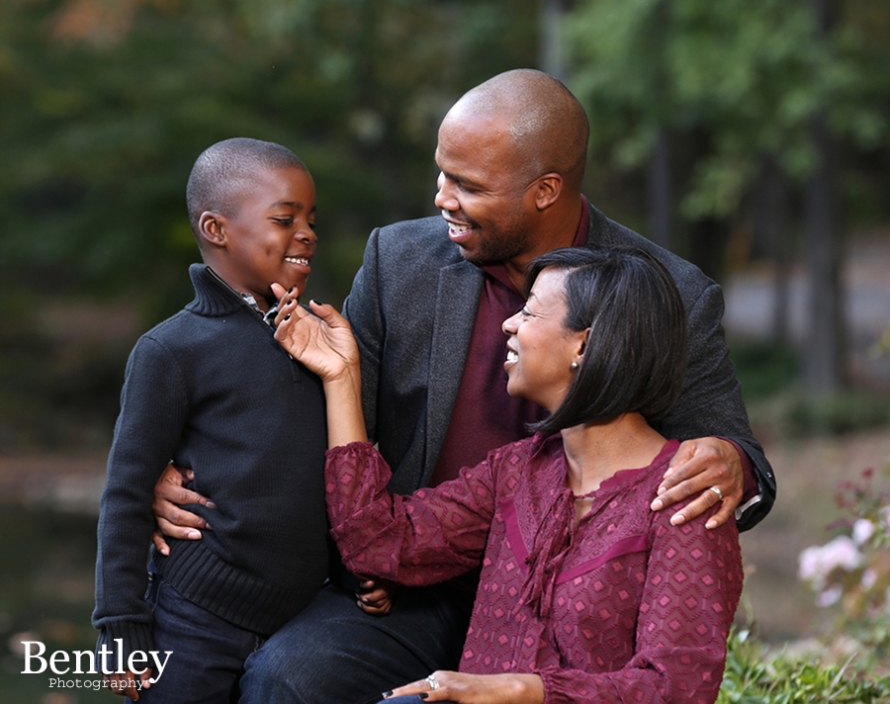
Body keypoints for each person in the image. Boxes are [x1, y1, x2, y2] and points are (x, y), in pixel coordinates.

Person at [152, 69, 774, 704]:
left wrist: (728, 460)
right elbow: (310, 405)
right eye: (442, 172)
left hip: (586, 602)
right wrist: (182, 459)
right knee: (291, 677)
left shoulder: (669, 292)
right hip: (409, 582)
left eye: (468, 185)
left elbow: (737, 457)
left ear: (545, 190)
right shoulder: (398, 261)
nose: (441, 197)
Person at [274, 244, 744, 704]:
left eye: (531, 313)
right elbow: (378, 542)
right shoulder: (517, 471)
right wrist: (341, 377)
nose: (509, 323)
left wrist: (520, 689)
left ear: (586, 343)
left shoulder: (689, 495)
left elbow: (675, 689)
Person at [92, 138, 388, 703]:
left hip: (303, 623)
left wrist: (361, 571)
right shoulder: (171, 349)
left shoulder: (321, 343)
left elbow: (337, 471)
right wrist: (119, 624)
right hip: (194, 619)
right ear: (216, 228)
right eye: (285, 218)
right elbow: (127, 493)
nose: (307, 232)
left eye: (311, 218)